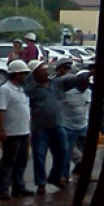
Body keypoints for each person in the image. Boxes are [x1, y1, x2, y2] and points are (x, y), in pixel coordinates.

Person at [25, 59, 67, 193]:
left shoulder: (55, 84)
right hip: (40, 127)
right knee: (39, 156)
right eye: (41, 71)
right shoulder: (31, 90)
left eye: (45, 70)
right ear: (34, 74)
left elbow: (74, 80)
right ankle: (41, 183)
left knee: (63, 152)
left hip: (57, 124)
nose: (45, 73)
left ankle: (55, 176)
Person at [0, 60, 33, 200]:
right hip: (12, 132)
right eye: (24, 74)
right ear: (17, 74)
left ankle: (18, 187)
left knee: (21, 161)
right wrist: (2, 129)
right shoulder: (5, 90)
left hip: (23, 131)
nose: (26, 77)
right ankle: (3, 189)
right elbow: (0, 110)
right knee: (8, 162)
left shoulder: (21, 90)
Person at [59, 69, 91, 179]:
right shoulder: (67, 94)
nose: (86, 85)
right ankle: (63, 175)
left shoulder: (89, 93)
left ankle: (84, 172)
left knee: (87, 152)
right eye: (84, 82)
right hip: (69, 127)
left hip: (83, 126)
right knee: (67, 152)